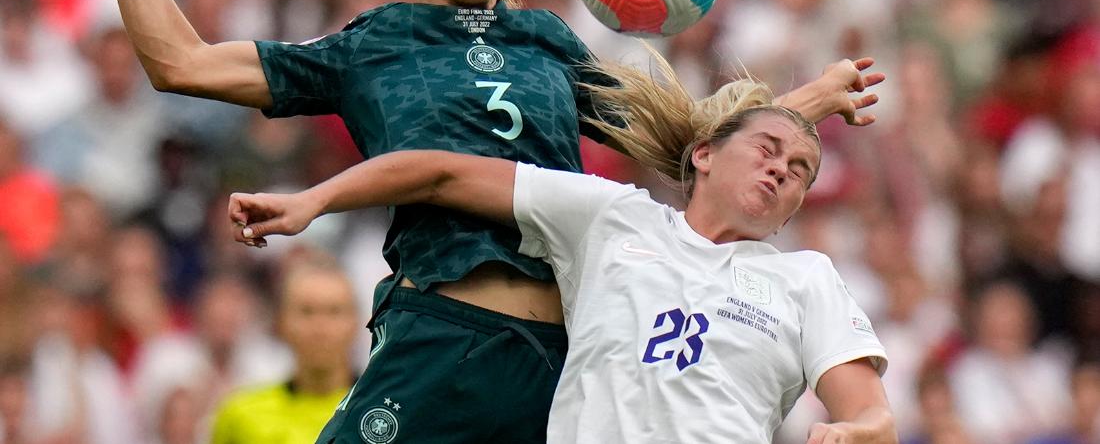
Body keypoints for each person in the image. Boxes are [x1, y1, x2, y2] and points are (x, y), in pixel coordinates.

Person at [69, 0, 882, 443]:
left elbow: (696, 147)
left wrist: (806, 100)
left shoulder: (547, 41)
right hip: (439, 333)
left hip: (555, 363)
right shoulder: (373, 43)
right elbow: (180, 62)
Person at [227, 50, 895, 444]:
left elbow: (872, 416)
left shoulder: (808, 279)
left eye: (802, 170)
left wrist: (852, 432)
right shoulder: (613, 219)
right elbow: (442, 171)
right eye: (768, 151)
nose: (782, 169)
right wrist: (313, 199)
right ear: (704, 155)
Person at [210, 253, 359, 444]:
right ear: (280, 323)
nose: (320, 327)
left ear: (356, 323)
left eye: (334, 311)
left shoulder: (389, 410)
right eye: (306, 311)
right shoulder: (239, 415)